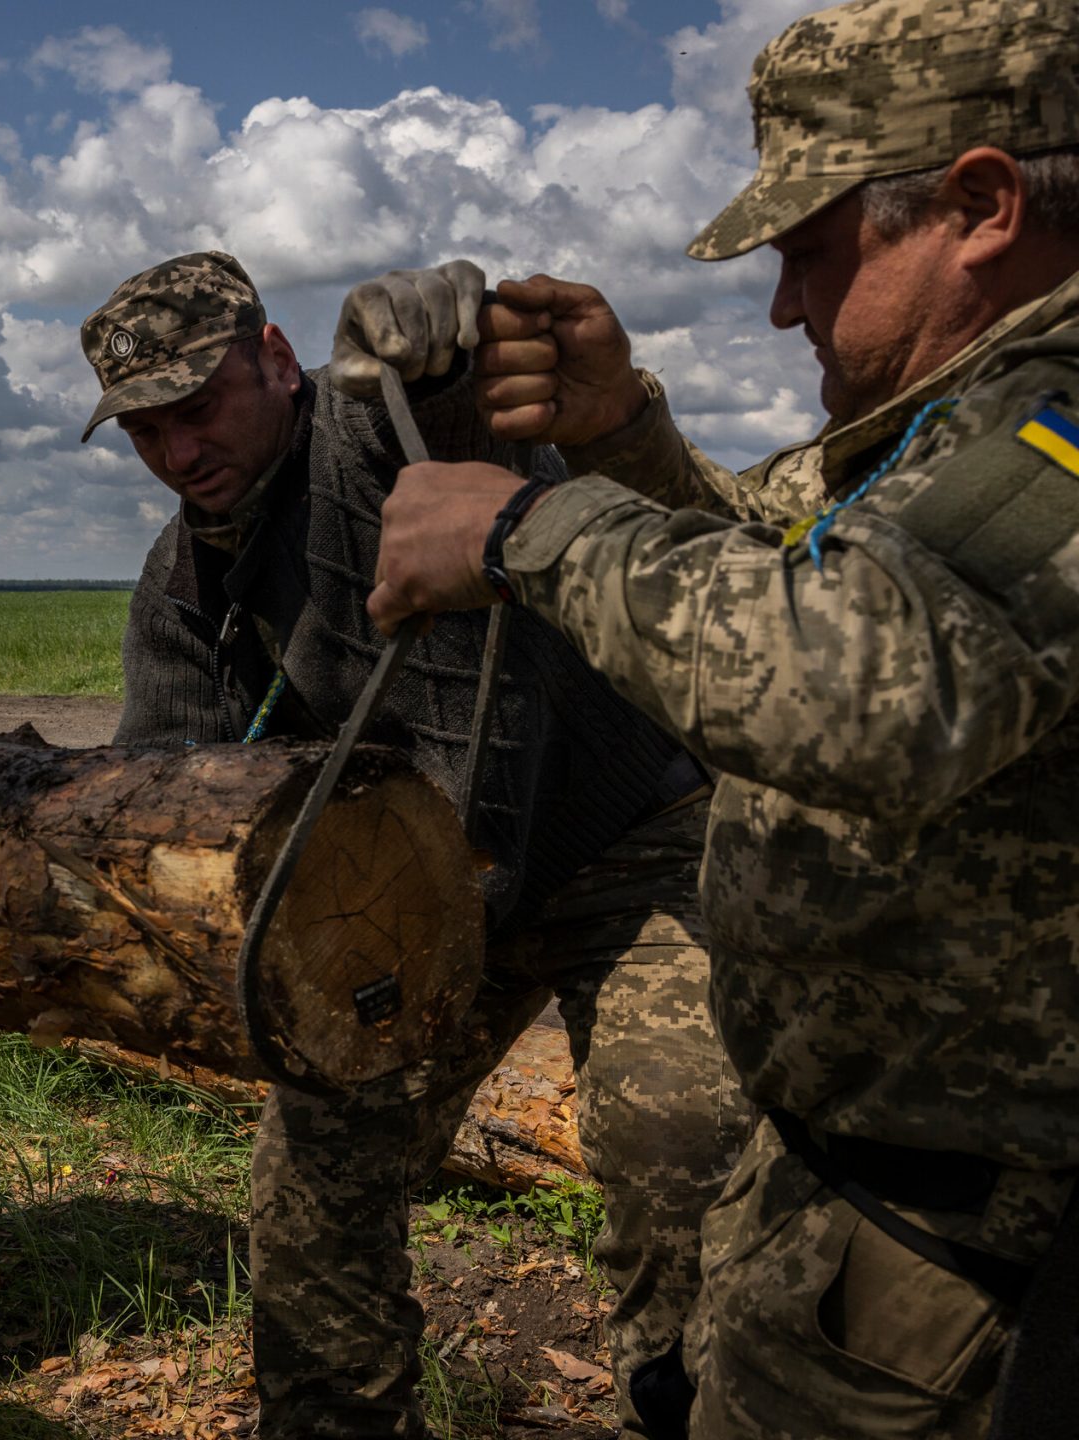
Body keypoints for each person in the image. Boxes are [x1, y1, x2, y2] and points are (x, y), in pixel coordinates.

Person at [365, 2, 1079, 1433]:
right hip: (859, 1192)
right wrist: (624, 433)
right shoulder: (954, 428)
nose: (782, 307)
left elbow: (871, 681)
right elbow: (786, 562)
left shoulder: (1058, 425)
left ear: (980, 206)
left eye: (810, 252)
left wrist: (533, 530)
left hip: (963, 1252)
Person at [83, 251, 750, 1438]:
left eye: (197, 408)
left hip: (627, 841)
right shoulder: (184, 585)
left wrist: (430, 359)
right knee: (312, 1175)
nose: (177, 453)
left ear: (277, 362)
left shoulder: (364, 439)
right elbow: (166, 803)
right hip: (424, 895)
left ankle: (696, 1417)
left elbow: (438, 420)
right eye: (142, 430)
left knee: (678, 1146)